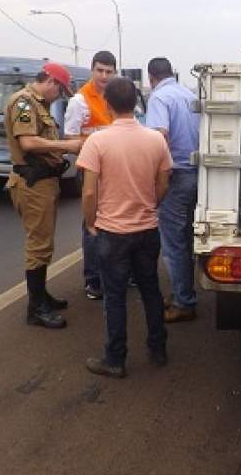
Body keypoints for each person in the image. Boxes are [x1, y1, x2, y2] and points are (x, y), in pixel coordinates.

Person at [77, 77, 172, 378]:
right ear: (136, 103)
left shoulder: (97, 142)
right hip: (147, 229)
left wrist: (91, 222)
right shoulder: (156, 140)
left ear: (107, 104)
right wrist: (150, 205)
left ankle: (115, 359)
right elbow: (164, 182)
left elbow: (89, 192)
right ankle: (158, 349)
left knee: (114, 296)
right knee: (150, 290)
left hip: (112, 232)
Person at [4, 62, 82, 329]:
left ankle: (41, 295)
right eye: (59, 91)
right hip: (33, 182)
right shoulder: (24, 102)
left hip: (44, 182)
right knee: (38, 245)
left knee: (44, 242)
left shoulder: (39, 104)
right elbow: (27, 142)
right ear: (50, 82)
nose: (59, 96)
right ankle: (36, 308)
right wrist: (67, 146)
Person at [145, 57, 201, 323]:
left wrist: (157, 176)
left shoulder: (159, 98)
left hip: (175, 176)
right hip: (196, 174)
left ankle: (184, 302)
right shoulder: (188, 94)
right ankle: (183, 292)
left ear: (151, 78)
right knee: (187, 239)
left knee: (173, 243)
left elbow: (159, 136)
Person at [64, 51, 117, 301]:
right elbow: (70, 138)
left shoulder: (115, 96)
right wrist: (97, 146)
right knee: (92, 223)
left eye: (109, 71)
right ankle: (94, 280)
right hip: (93, 170)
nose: (104, 76)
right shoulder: (79, 101)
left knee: (115, 223)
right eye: (100, 70)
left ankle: (116, 275)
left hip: (115, 171)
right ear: (92, 70)